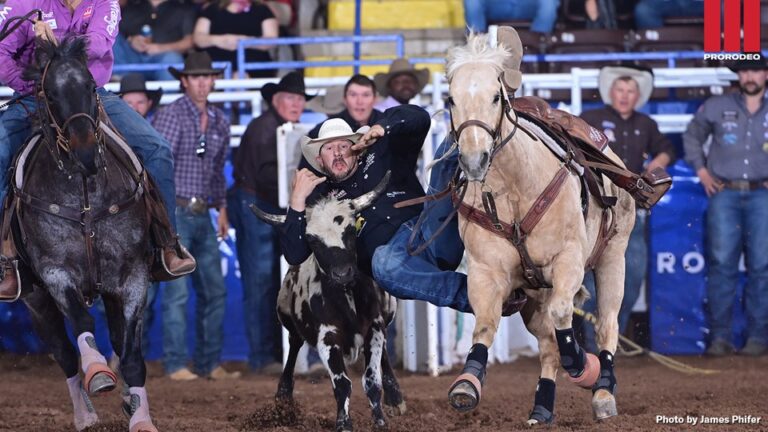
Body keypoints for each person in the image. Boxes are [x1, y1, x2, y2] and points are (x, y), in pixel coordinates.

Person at [0, 0, 195, 302]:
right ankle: (5, 257)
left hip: (91, 96)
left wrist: (52, 41)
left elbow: (98, 45)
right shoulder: (24, 3)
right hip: (34, 96)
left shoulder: (105, 3)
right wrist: (30, 86)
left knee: (157, 149)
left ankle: (167, 243)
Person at [371, 26, 528, 316]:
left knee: (451, 152)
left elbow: (416, 118)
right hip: (419, 240)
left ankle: (496, 97)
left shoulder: (384, 122)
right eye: (399, 80)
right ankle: (483, 298)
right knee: (384, 266)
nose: (404, 84)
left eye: (408, 80)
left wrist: (379, 128)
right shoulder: (381, 121)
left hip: (424, 223)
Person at [152, 51, 240, 379]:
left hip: (203, 211)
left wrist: (222, 209)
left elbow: (218, 170)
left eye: (207, 77)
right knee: (177, 292)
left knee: (213, 291)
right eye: (196, 77)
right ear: (184, 81)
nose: (203, 83)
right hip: (175, 210)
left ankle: (207, 362)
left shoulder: (218, 119)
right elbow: (158, 164)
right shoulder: (172, 115)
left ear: (213, 80)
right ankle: (176, 362)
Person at [578, 65, 676, 350]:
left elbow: (668, 148)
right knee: (591, 277)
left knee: (631, 276)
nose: (624, 95)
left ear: (637, 96)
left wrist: (654, 165)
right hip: (595, 206)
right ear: (611, 92)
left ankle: (608, 333)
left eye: (630, 91)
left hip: (630, 209)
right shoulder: (591, 118)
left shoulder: (645, 124)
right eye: (620, 90)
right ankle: (595, 341)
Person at [683, 58, 768, 357]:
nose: (749, 75)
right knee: (722, 265)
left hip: (762, 195)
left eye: (755, 70)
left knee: (762, 267)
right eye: (745, 70)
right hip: (725, 193)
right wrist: (702, 171)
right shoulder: (718, 104)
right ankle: (720, 337)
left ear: (765, 74)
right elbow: (693, 135)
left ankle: (758, 337)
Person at [228, 71, 311, 374]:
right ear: (275, 100)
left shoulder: (281, 129)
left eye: (300, 99)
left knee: (269, 282)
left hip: (268, 206)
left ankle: (270, 354)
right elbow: (265, 178)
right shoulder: (265, 129)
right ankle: (262, 357)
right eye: (290, 98)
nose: (296, 103)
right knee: (262, 282)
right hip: (257, 204)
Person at [113, 0, 196, 81]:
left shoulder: (183, 7)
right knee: (111, 37)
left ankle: (167, 94)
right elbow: (120, 34)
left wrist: (160, 48)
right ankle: (122, 86)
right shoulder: (132, 4)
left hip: (163, 58)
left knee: (172, 59)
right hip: (133, 58)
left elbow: (189, 42)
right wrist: (132, 40)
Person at [193, 0, 278, 78]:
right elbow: (198, 38)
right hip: (216, 65)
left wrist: (246, 42)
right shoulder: (212, 9)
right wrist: (220, 40)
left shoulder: (262, 9)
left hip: (253, 64)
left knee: (240, 76)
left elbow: (271, 40)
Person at [308, 74, 380, 138]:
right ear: (345, 99)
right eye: (353, 95)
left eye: (366, 95)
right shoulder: (325, 129)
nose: (359, 101)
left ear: (375, 99)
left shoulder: (387, 123)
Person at [463, 0, 560, 34]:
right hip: (497, 5)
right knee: (472, 1)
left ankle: (539, 40)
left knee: (549, 2)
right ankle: (477, 45)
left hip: (527, 5)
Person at [634, 0, 704, 29]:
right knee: (644, 9)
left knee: (714, 8)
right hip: (666, 2)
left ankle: (712, 55)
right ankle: (656, 54)